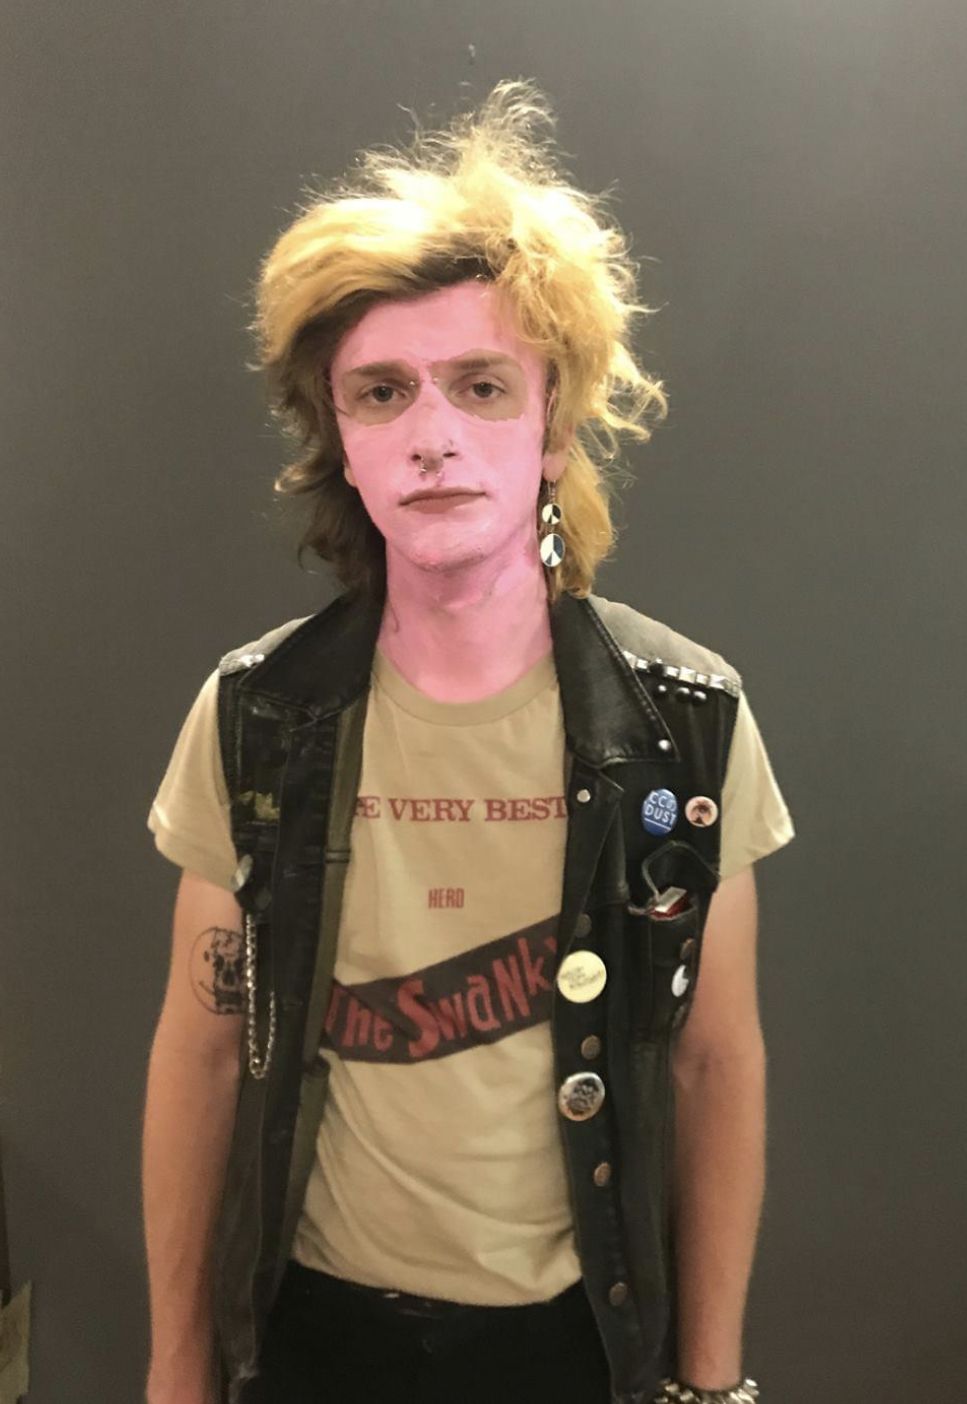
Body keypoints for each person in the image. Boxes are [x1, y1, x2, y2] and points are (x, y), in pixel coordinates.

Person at [141, 80, 794, 1404]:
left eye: (482, 385)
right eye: (382, 392)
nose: (433, 435)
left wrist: (712, 1383)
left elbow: (716, 1062)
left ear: (553, 427)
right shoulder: (258, 717)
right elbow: (202, 1051)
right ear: (342, 440)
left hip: (576, 1344)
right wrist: (176, 1369)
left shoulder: (684, 725)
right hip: (314, 1338)